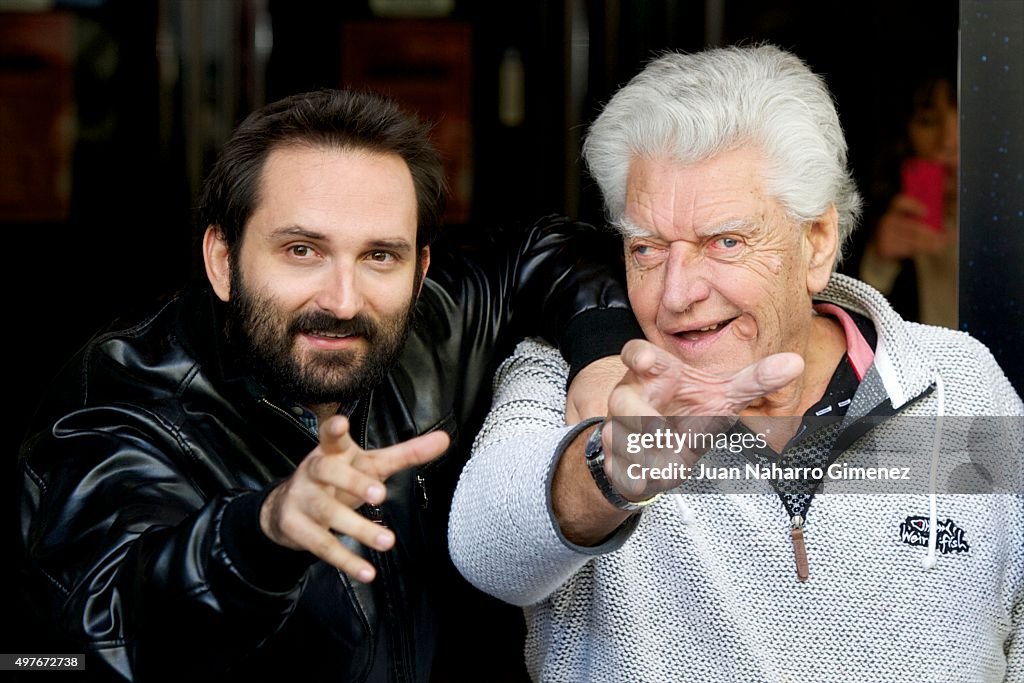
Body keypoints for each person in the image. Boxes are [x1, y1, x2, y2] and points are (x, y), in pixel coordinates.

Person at [16, 88, 641, 682]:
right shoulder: (121, 398)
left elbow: (554, 249)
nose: (343, 302)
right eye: (301, 250)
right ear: (222, 260)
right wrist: (260, 538)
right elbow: (106, 633)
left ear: (420, 270)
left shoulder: (436, 320)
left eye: (379, 257)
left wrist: (603, 357)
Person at [449, 44, 1023, 682]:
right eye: (647, 248)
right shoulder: (576, 378)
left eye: (725, 241)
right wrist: (610, 470)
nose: (677, 293)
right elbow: (484, 550)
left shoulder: (960, 380)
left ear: (816, 243)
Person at [852, 70, 959, 327]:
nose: (948, 141)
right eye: (928, 121)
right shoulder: (874, 213)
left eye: (967, 117)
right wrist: (878, 262)